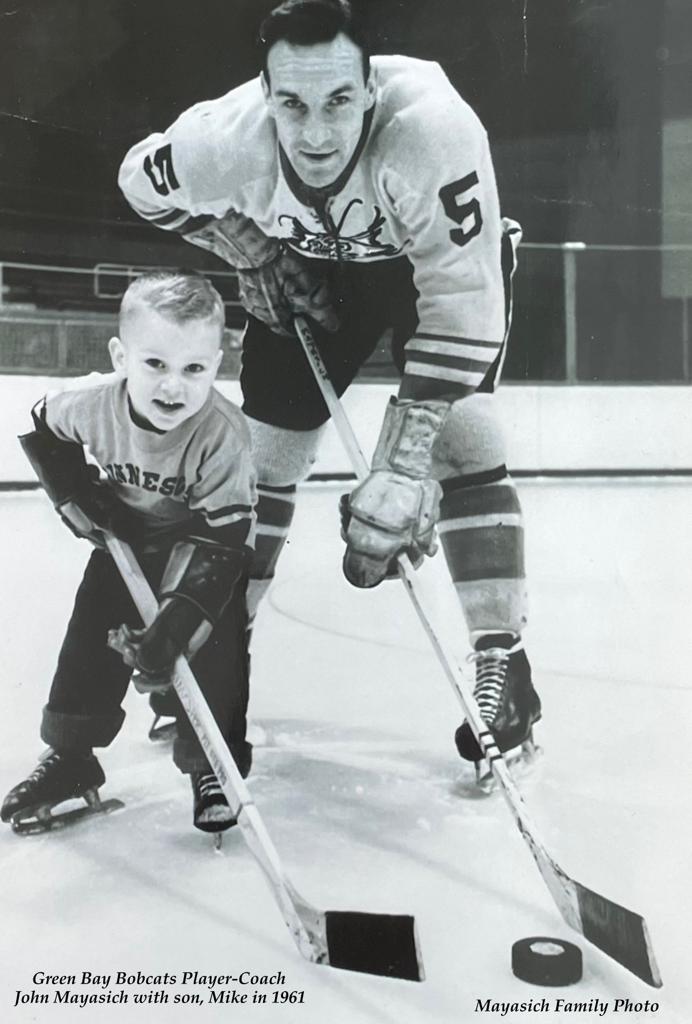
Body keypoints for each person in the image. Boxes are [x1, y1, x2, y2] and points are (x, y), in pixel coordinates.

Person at [118, 0, 541, 772]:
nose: (315, 134)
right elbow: (140, 181)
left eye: (339, 102)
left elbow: (462, 301)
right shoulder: (224, 137)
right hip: (314, 275)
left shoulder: (433, 132)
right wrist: (249, 248)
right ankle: (218, 655)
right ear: (265, 91)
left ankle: (502, 666)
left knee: (463, 438)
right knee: (263, 460)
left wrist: (403, 463)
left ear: (371, 90)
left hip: (433, 282)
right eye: (293, 104)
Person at [1, 271, 256, 834]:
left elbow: (225, 539)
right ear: (120, 355)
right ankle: (72, 757)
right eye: (155, 364)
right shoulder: (89, 404)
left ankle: (211, 762)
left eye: (194, 369)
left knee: (214, 650)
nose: (174, 386)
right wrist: (76, 493)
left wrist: (172, 630)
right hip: (127, 540)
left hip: (201, 546)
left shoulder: (223, 437)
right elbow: (37, 427)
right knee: (90, 635)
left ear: (218, 364)